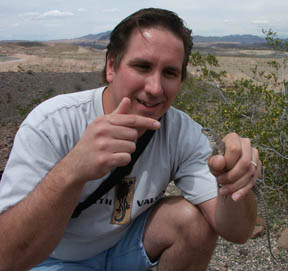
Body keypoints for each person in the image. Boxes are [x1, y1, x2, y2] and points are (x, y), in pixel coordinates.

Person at [0, 8, 260, 271]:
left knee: (193, 222)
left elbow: (237, 232)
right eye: (142, 66)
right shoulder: (54, 123)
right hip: (52, 258)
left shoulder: (181, 132)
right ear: (111, 66)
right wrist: (72, 170)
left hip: (122, 249)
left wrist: (235, 182)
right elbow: (6, 256)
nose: (155, 88)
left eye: (170, 73)